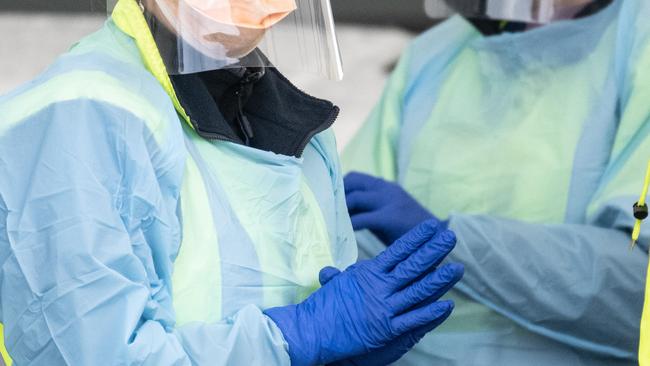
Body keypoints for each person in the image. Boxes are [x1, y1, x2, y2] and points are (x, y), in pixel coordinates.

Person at [0, 0, 465, 364]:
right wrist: (295, 337)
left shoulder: (300, 132)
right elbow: (87, 354)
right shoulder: (79, 112)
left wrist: (336, 354)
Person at [342, 0, 649, 364]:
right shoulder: (434, 53)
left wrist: (452, 243)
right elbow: (341, 239)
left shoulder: (638, 42)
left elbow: (635, 287)